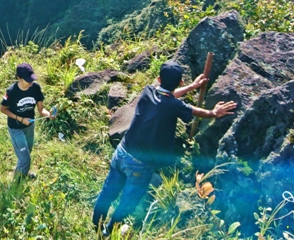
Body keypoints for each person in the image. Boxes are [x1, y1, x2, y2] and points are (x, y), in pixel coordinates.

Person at [92, 60, 237, 234]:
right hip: (140, 163)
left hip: (122, 152)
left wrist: (192, 86)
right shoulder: (174, 106)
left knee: (108, 191)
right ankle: (108, 232)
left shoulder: (147, 92)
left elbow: (168, 97)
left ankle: (96, 227)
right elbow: (192, 110)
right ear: (180, 82)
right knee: (128, 201)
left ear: (159, 79)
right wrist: (213, 113)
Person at [0, 62, 53, 179]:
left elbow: (41, 109)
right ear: (19, 77)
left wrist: (48, 114)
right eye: (27, 79)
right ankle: (16, 184)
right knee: (25, 158)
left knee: (27, 153)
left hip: (29, 126)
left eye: (32, 79)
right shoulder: (11, 92)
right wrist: (21, 119)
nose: (30, 82)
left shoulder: (35, 88)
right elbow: (3, 109)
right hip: (15, 127)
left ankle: (23, 173)